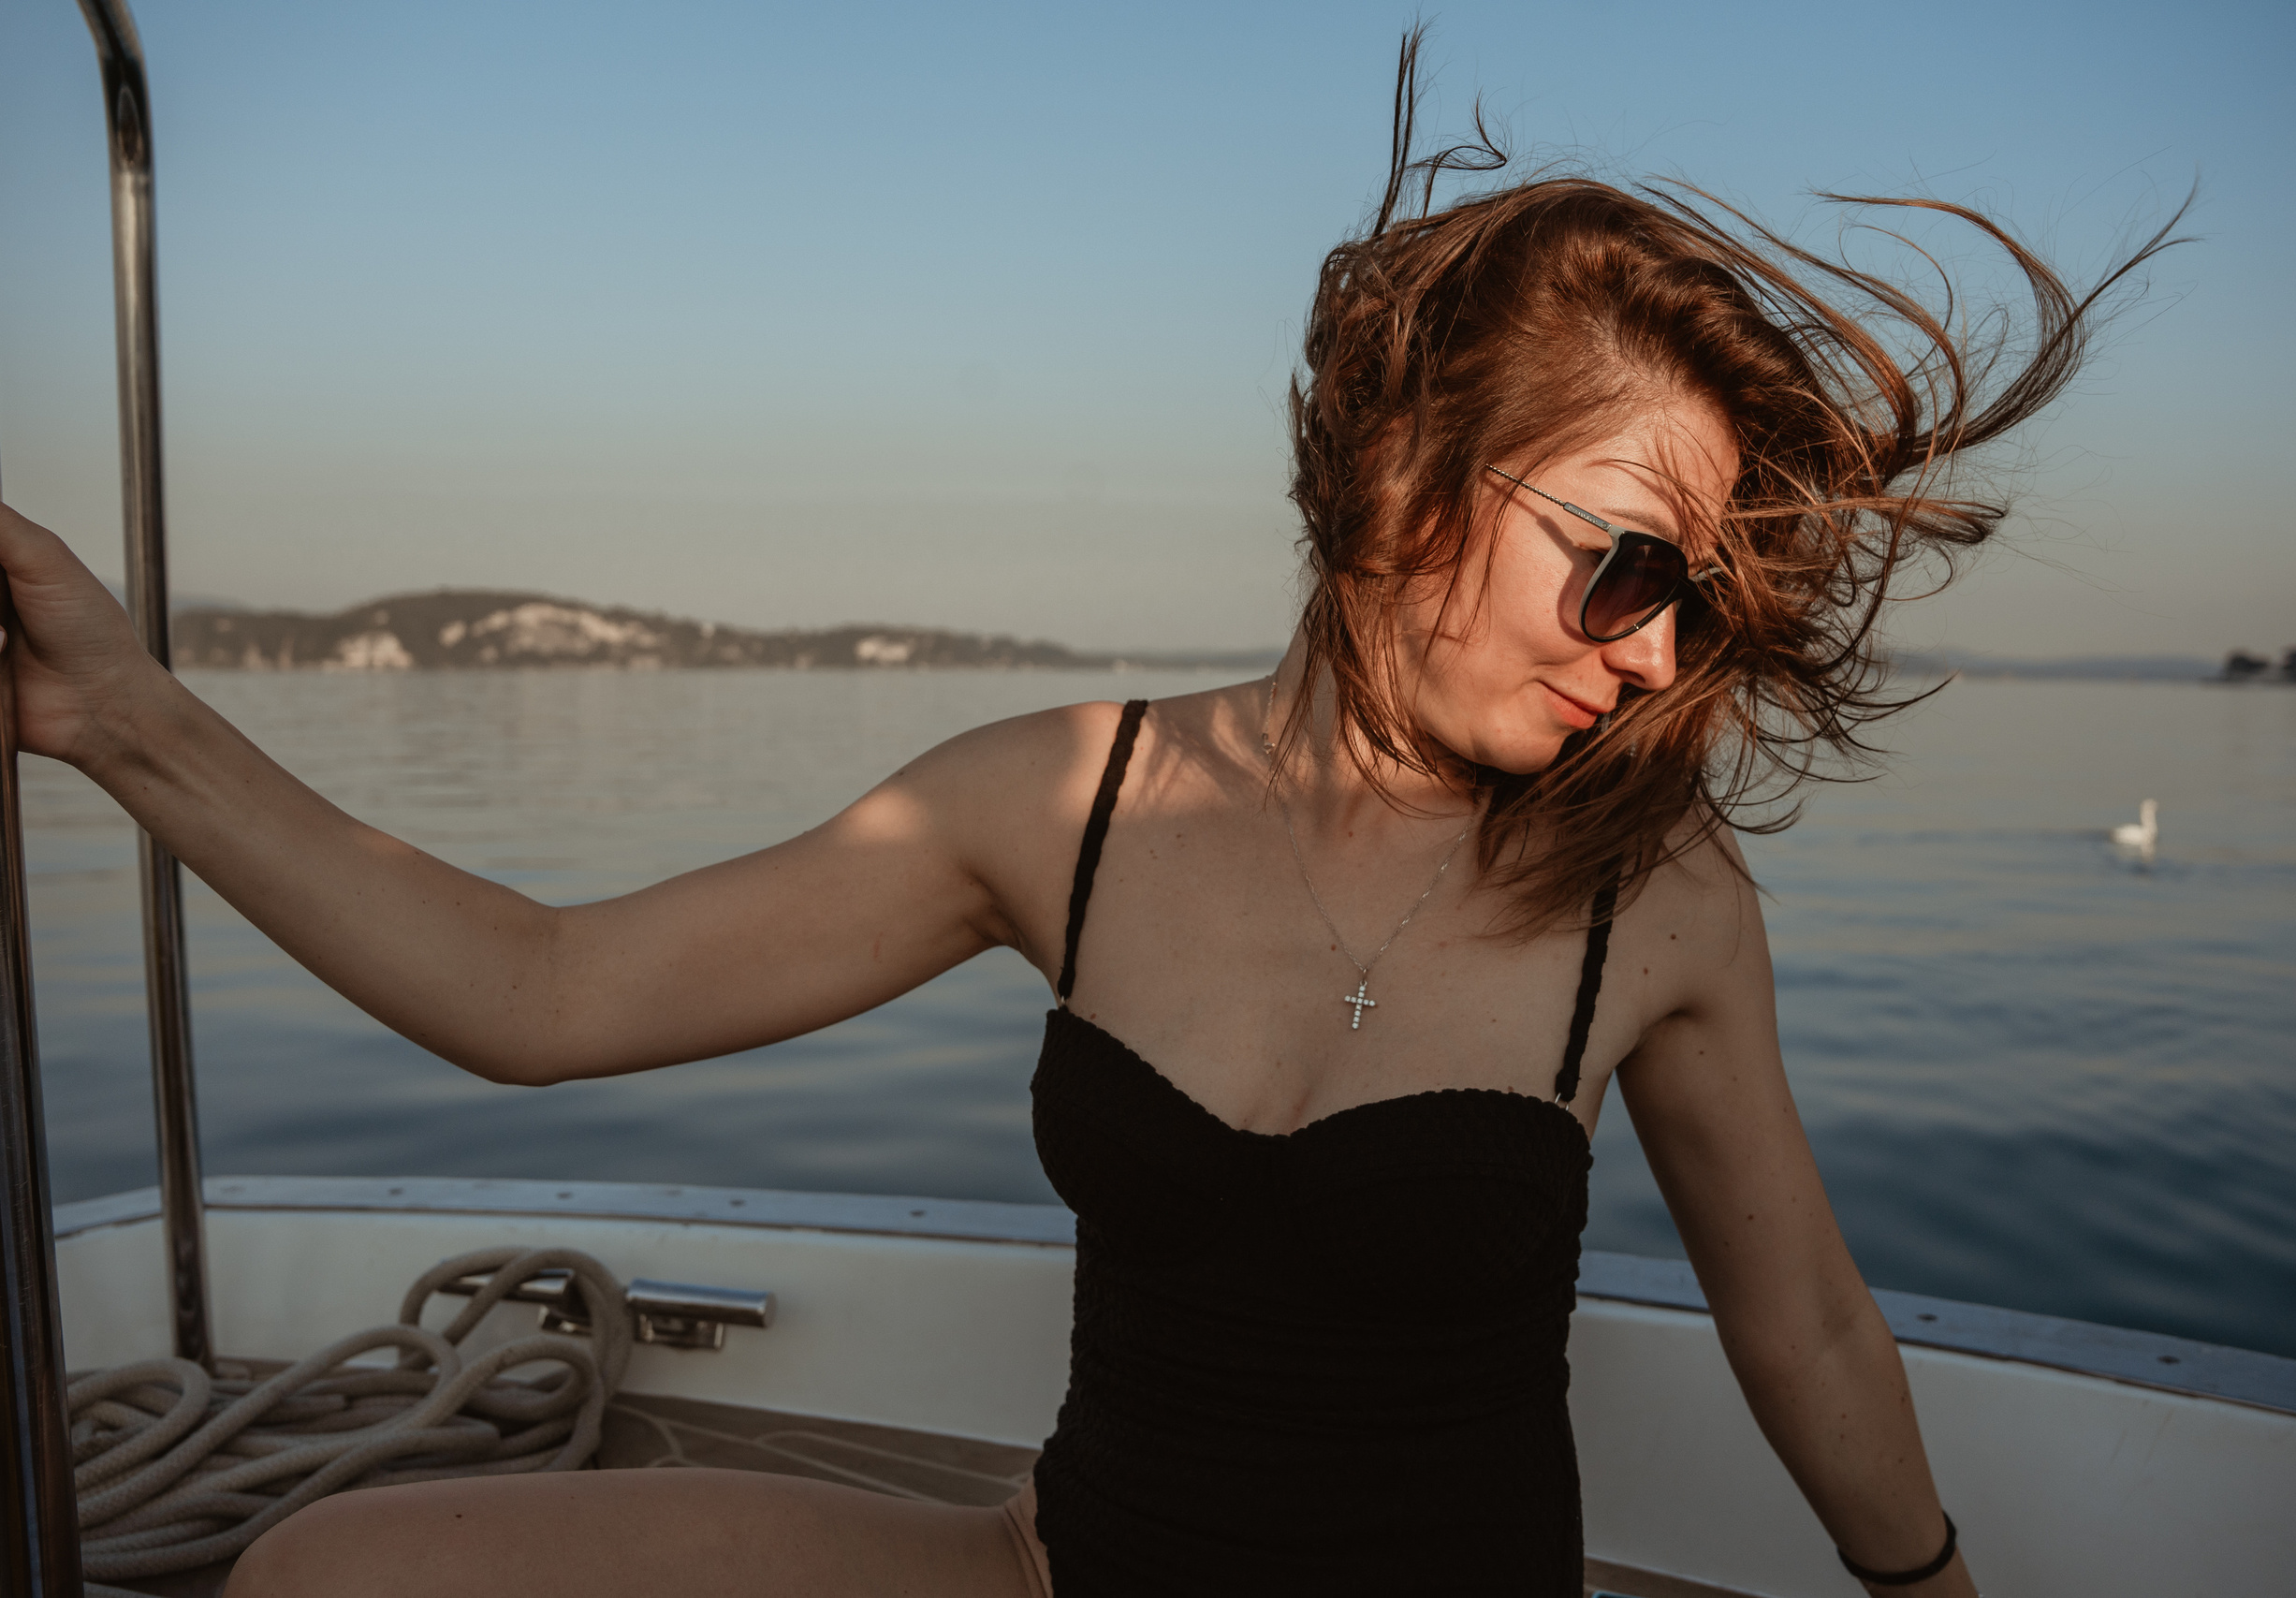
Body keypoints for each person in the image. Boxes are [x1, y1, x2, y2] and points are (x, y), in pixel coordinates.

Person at [0, 37, 2174, 1598]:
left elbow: (1802, 1324)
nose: (1649, 654)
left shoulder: (1657, 902)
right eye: (1620, 562)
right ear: (1414, 470)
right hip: (1062, 1564)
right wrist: (120, 716)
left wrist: (1927, 1591)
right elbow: (538, 987)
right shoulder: (1064, 797)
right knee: (326, 1563)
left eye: (1693, 608)